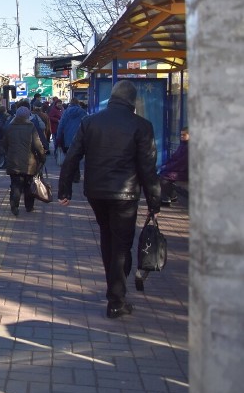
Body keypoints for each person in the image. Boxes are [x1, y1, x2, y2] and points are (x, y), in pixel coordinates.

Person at [57, 80, 162, 319]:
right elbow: (148, 167)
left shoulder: (90, 122)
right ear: (132, 101)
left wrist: (64, 191)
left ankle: (116, 282)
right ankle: (116, 299)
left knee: (108, 236)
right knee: (122, 244)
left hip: (96, 193)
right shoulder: (142, 126)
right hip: (125, 195)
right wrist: (154, 201)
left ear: (112, 97)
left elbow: (72, 156)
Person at [1, 106, 46, 215]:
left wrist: (9, 154)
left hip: (13, 162)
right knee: (28, 185)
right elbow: (37, 145)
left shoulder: (10, 127)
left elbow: (4, 144)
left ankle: (14, 205)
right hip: (29, 163)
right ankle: (29, 206)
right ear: (27, 115)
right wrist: (42, 157)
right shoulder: (31, 127)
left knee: (15, 184)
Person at [56, 98, 87, 181]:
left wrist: (58, 137)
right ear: (78, 103)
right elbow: (87, 124)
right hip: (80, 138)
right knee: (77, 156)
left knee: (69, 157)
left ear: (70, 103)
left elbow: (61, 125)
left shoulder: (66, 112)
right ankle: (76, 175)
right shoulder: (83, 112)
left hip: (67, 139)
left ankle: (72, 175)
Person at [159, 127, 189, 205]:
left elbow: (181, 162)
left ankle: (168, 198)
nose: (181, 136)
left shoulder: (189, 147)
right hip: (179, 170)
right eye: (181, 135)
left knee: (164, 177)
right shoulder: (183, 145)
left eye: (184, 135)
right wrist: (165, 164)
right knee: (162, 174)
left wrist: (167, 167)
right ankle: (170, 196)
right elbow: (174, 157)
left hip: (184, 172)